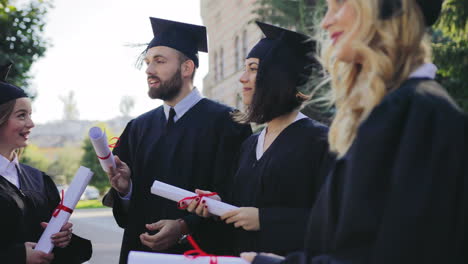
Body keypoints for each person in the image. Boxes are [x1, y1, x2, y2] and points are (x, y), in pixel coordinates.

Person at [242, 0, 468, 263]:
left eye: (340, 4)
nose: (326, 22)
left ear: (388, 7)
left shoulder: (420, 115)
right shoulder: (387, 111)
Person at [102, 17, 252, 264]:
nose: (149, 70)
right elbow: (127, 215)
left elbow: (235, 198)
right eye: (148, 62)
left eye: (159, 61)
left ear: (186, 68)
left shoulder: (228, 123)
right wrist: (125, 190)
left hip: (199, 254)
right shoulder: (137, 128)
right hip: (141, 255)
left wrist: (185, 226)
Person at [186, 22, 332, 256]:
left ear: (278, 77)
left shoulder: (320, 141)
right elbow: (240, 210)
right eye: (244, 68)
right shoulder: (250, 145)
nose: (242, 78)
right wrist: (217, 205)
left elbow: (334, 219)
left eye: (253, 68)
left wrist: (267, 220)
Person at [0, 62, 92, 264]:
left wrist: (63, 240)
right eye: (21, 115)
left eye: (30, 115)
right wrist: (17, 257)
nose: (31, 124)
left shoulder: (38, 179)